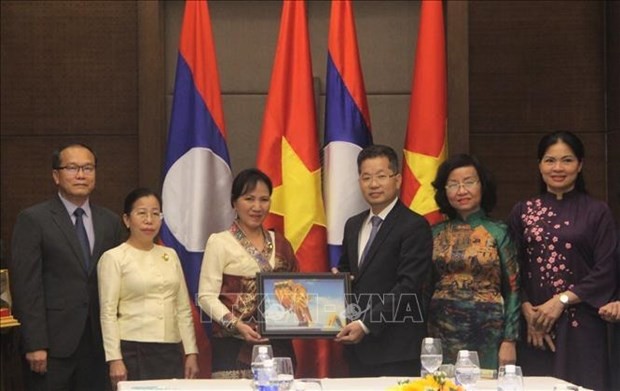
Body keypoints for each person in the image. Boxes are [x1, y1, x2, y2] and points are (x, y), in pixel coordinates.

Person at [508, 131, 617, 390]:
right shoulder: (523, 211)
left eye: (567, 160)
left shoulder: (597, 211)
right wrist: (527, 310)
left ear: (580, 165)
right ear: (539, 165)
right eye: (550, 160)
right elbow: (511, 267)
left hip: (582, 328)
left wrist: (561, 301)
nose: (558, 168)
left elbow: (607, 269)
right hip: (535, 330)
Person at [10, 143, 124, 391]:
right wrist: (35, 342)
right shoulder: (33, 219)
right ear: (56, 175)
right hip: (51, 346)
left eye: (88, 168)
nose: (81, 175)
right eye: (72, 168)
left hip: (98, 346)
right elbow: (26, 286)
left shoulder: (110, 222)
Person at [333, 144, 432, 377]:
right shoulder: (353, 224)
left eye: (381, 176)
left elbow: (408, 286)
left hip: (395, 350)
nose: (373, 184)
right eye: (366, 177)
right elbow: (349, 271)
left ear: (397, 180)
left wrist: (365, 324)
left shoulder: (414, 225)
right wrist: (338, 280)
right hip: (357, 349)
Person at [197, 168, 298, 379]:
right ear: (234, 202)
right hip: (232, 348)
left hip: (278, 348)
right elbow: (206, 297)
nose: (257, 207)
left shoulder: (280, 242)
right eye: (249, 199)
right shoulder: (220, 241)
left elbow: (298, 292)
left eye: (264, 199)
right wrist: (237, 325)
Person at [97, 188, 199, 388]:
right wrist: (114, 359)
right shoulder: (114, 258)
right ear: (127, 220)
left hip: (170, 350)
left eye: (155, 213)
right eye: (142, 213)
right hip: (133, 350)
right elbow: (107, 313)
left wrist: (191, 352)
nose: (149, 220)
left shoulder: (170, 255)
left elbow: (183, 309)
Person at [427, 154, 520, 370]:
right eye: (453, 184)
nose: (461, 191)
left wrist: (510, 340)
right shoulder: (433, 233)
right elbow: (425, 287)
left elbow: (514, 289)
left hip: (488, 330)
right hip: (441, 328)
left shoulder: (499, 231)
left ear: (482, 186)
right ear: (444, 190)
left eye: (469, 182)